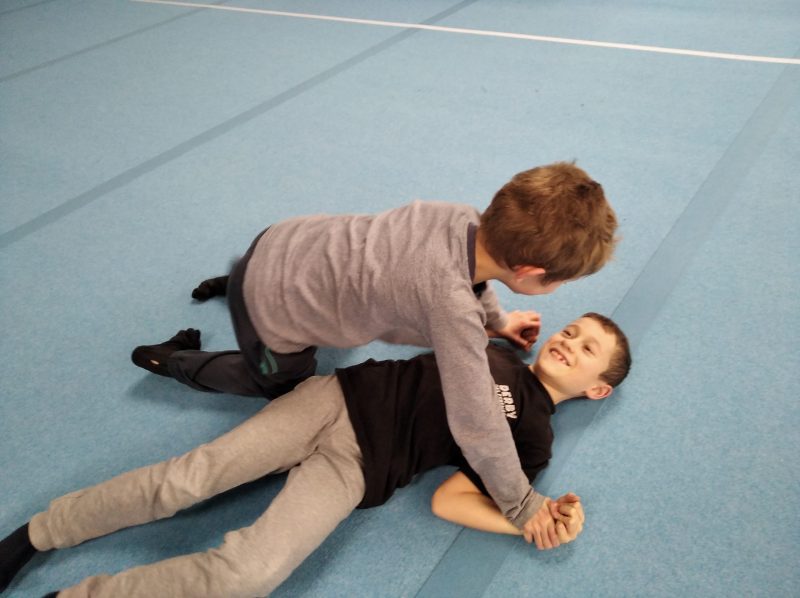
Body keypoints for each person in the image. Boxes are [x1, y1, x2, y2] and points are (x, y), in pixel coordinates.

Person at [131, 161, 619, 539]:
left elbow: (475, 282)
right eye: (561, 281)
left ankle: (237, 280)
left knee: (285, 282)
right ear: (530, 272)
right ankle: (174, 360)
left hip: (287, 240)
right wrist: (521, 504)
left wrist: (499, 322)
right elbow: (477, 421)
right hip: (270, 304)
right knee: (283, 385)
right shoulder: (450, 310)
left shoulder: (464, 218)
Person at [1, 313, 631, 597]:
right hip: (334, 401)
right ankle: (37, 534)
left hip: (358, 469)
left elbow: (451, 499)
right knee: (184, 483)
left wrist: (531, 523)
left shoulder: (535, 439)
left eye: (587, 350)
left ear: (597, 389)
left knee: (249, 576)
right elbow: (451, 315)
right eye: (572, 331)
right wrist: (498, 325)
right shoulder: (498, 355)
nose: (570, 342)